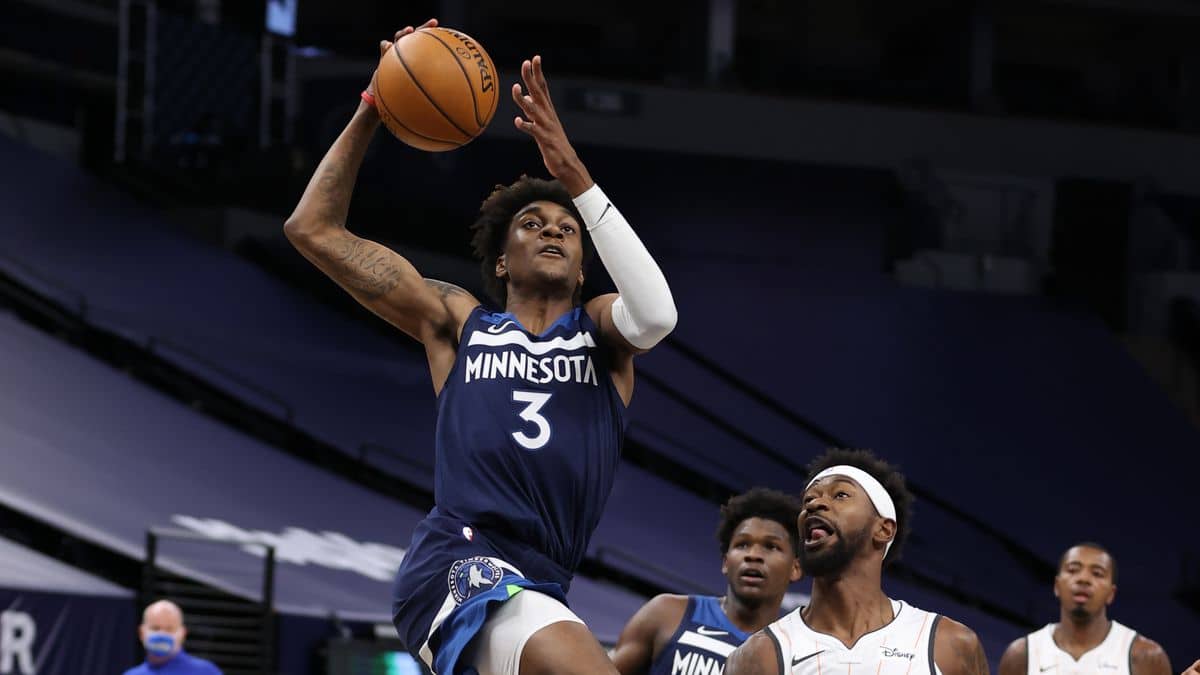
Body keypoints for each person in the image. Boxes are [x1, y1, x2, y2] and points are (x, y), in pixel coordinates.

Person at [283, 18, 677, 675]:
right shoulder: (458, 323)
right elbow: (312, 229)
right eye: (531, 223)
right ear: (500, 259)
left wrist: (575, 176)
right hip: (460, 558)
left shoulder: (600, 332)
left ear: (584, 267)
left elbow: (658, 314)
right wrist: (375, 107)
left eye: (567, 228)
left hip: (543, 579)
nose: (552, 229)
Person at [725, 449, 989, 675]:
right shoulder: (758, 655)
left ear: (884, 530)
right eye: (808, 500)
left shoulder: (951, 644)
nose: (815, 504)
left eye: (840, 495)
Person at [610, 488, 803, 675]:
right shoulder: (667, 613)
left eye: (771, 546)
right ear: (726, 562)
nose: (753, 555)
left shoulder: (796, 658)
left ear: (795, 568)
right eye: (742, 544)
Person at [998, 543, 1172, 675]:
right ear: (1057, 585)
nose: (1083, 579)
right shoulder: (1021, 654)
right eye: (1073, 570)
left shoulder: (1146, 656)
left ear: (1111, 593)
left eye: (1097, 573)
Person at [123, 600, 221, 675]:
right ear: (141, 633)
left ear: (183, 633)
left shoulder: (206, 672)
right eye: (155, 628)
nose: (162, 634)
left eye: (169, 629)